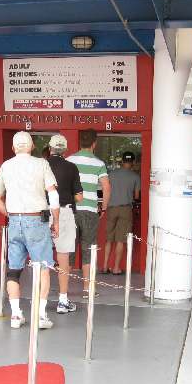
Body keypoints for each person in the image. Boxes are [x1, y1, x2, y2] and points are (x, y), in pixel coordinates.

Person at [0, 131, 60, 329]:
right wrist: (56, 220)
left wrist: (10, 214)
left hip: (15, 220)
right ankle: (40, 316)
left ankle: (15, 315)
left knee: (14, 269)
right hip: (36, 220)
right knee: (43, 268)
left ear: (13, 148)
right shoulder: (42, 164)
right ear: (32, 147)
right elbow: (53, 195)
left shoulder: (6, 166)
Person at [67, 129, 111, 298]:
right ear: (94, 143)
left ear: (80, 143)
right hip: (90, 211)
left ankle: (64, 291)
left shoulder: (69, 160)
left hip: (71, 211)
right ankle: (87, 289)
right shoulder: (99, 163)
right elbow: (106, 187)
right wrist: (103, 207)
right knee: (88, 249)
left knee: (68, 249)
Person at [46, 134, 83, 314]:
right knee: (63, 257)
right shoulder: (71, 167)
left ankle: (40, 301)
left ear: (49, 148)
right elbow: (79, 197)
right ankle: (62, 300)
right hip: (64, 212)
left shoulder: (41, 165)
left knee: (41, 257)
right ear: (65, 150)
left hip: (42, 212)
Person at [102, 151, 140, 274]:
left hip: (112, 208)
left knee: (109, 239)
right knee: (120, 239)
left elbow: (106, 190)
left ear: (122, 161)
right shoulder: (135, 176)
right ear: (133, 162)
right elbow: (136, 196)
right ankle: (116, 268)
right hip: (126, 209)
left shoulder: (111, 174)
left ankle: (104, 266)